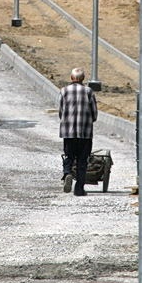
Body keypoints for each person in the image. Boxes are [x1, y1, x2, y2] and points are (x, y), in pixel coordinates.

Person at [59, 67, 98, 196]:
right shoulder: (88, 91)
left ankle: (68, 173)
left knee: (69, 156)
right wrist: (90, 120)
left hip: (68, 132)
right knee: (82, 160)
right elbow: (94, 113)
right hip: (85, 133)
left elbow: (61, 111)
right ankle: (79, 189)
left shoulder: (64, 91)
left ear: (71, 78)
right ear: (83, 79)